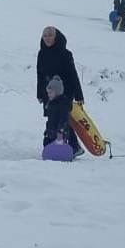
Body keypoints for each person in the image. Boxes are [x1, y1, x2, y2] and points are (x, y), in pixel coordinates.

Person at [36, 26, 85, 156]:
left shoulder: (65, 53)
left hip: (65, 93)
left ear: (56, 37)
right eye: (45, 35)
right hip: (50, 94)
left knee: (63, 120)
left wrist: (79, 95)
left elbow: (73, 75)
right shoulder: (42, 53)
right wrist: (40, 93)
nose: (47, 38)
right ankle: (58, 147)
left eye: (50, 35)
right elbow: (40, 75)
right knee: (53, 120)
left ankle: (73, 146)